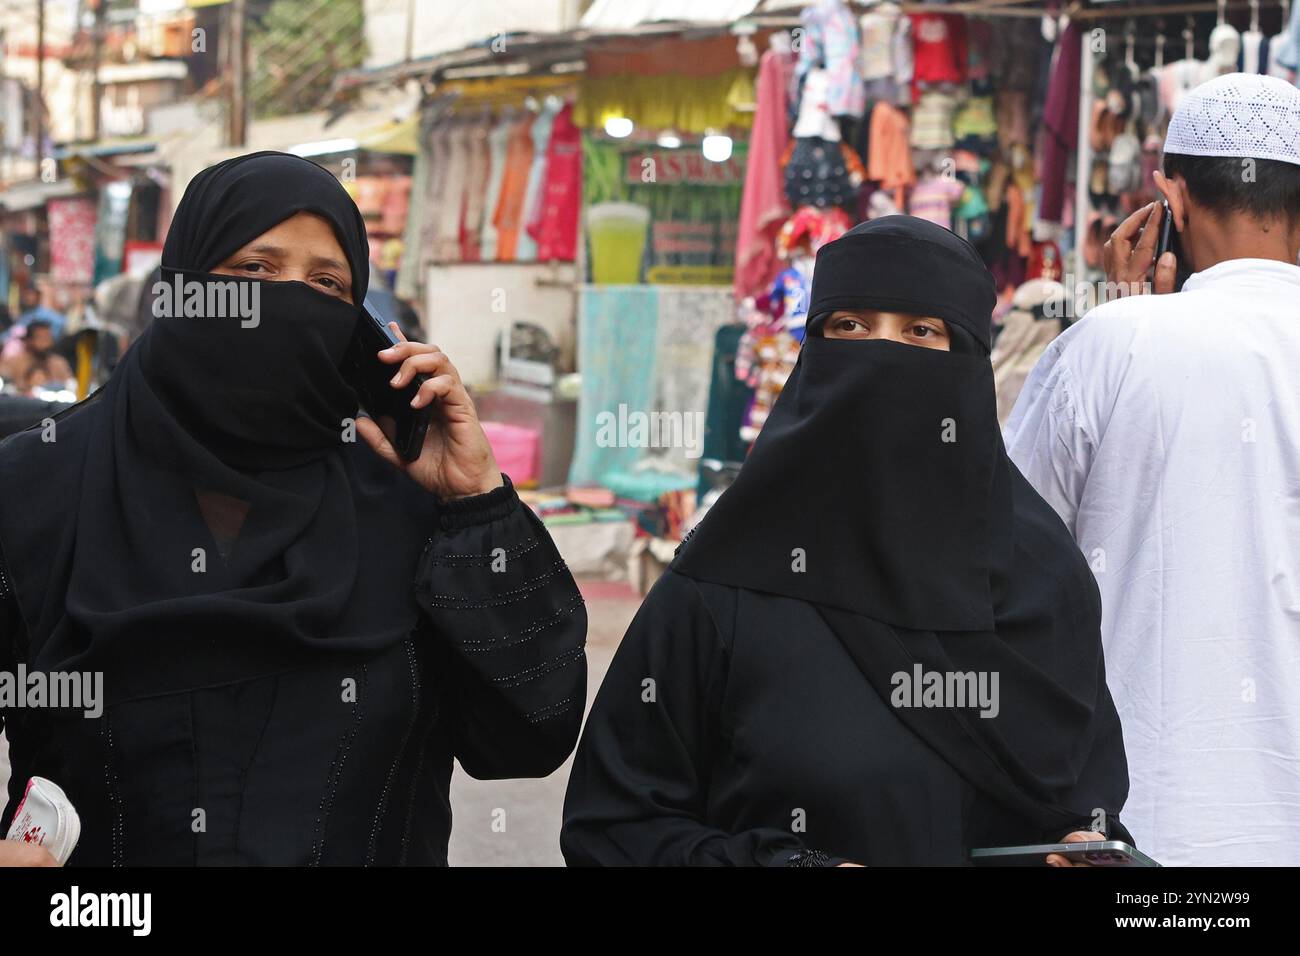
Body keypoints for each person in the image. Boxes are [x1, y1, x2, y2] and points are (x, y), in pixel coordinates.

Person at [0, 151, 587, 866]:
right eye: (254, 271)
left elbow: (530, 736)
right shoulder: (38, 487)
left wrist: (478, 503)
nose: (289, 302)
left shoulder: (409, 500)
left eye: (326, 283)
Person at [561, 216, 1132, 867]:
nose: (879, 358)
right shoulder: (724, 585)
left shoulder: (1043, 581)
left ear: (969, 367)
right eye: (850, 328)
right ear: (813, 354)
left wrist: (1088, 849)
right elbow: (611, 827)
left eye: (921, 332)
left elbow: (1084, 809)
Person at [1004, 73, 1300, 866]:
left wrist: (1125, 323)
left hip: (1143, 830)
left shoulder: (1109, 346)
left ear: (1171, 196)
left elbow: (1001, 559)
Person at [0, 320, 74, 395]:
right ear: (29, 340)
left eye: (48, 338)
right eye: (41, 338)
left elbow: (70, 385)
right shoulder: (13, 363)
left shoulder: (59, 363)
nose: (46, 343)